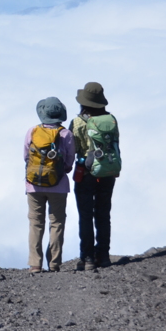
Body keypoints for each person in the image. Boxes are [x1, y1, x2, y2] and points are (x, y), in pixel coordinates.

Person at [23, 97, 75, 273]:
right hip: (58, 185)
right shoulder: (65, 134)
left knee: (35, 223)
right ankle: (54, 263)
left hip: (33, 185)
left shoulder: (32, 131)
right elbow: (69, 162)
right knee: (57, 223)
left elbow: (26, 157)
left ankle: (35, 264)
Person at [72, 81, 119, 271]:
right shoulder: (111, 120)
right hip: (107, 172)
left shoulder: (78, 122)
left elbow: (73, 147)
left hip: (85, 172)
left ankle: (88, 258)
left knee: (85, 214)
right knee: (103, 213)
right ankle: (104, 256)